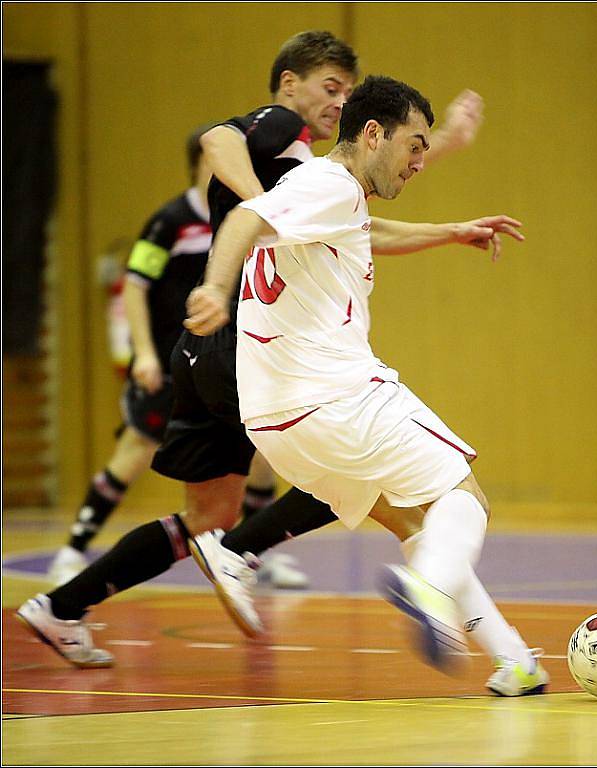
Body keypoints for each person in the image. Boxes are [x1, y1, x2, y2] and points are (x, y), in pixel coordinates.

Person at [15, 32, 490, 674]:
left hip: (211, 349)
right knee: (349, 460)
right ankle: (291, 559)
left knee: (205, 517)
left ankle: (61, 605)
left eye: (348, 91)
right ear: (289, 84)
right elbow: (216, 139)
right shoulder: (280, 132)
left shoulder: (321, 180)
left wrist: (448, 226)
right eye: (330, 86)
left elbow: (362, 227)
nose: (339, 100)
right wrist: (263, 211)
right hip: (239, 344)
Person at [185, 75, 549, 697]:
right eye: (413, 146)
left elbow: (361, 233)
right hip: (338, 396)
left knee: (417, 523)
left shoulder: (330, 199)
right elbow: (244, 216)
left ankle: (513, 661)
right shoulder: (329, 183)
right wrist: (215, 289)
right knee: (465, 500)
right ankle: (428, 588)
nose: (418, 162)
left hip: (277, 423)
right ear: (373, 133)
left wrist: (450, 230)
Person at [44, 126, 306, 591]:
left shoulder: (245, 217)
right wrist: (142, 352)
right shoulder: (169, 221)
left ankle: (257, 556)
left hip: (223, 360)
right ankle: (73, 549)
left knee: (263, 453)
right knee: (133, 452)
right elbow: (135, 287)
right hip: (169, 362)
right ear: (206, 163)